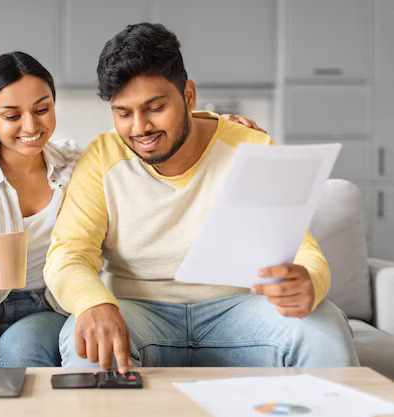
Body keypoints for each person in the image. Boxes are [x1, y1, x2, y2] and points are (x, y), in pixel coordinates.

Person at [0, 50, 263, 367]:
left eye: (42, 109)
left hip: (44, 304)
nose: (30, 125)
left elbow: (138, 134)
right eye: (12, 116)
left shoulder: (74, 162)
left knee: (23, 353)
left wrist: (215, 125)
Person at [44, 23, 359, 374]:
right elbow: (68, 254)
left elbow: (304, 252)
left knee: (326, 325)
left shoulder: (251, 147)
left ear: (189, 96)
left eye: (155, 107)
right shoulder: (102, 158)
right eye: (123, 113)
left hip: (240, 310)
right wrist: (92, 303)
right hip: (138, 313)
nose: (140, 127)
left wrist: (307, 281)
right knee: (84, 336)